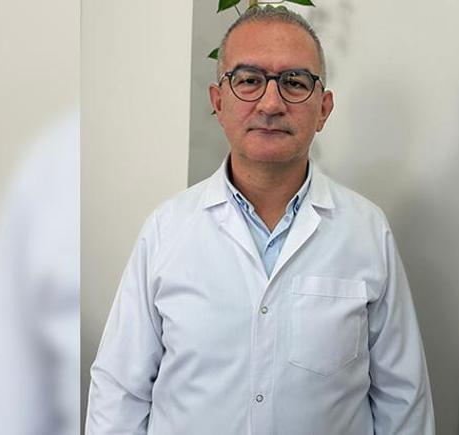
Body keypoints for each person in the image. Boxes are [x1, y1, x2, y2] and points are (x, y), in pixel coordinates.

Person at [86, 6, 434, 434]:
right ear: (218, 101)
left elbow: (403, 399)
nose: (271, 103)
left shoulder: (366, 231)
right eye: (249, 80)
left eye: (295, 82)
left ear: (323, 109)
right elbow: (119, 391)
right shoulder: (166, 230)